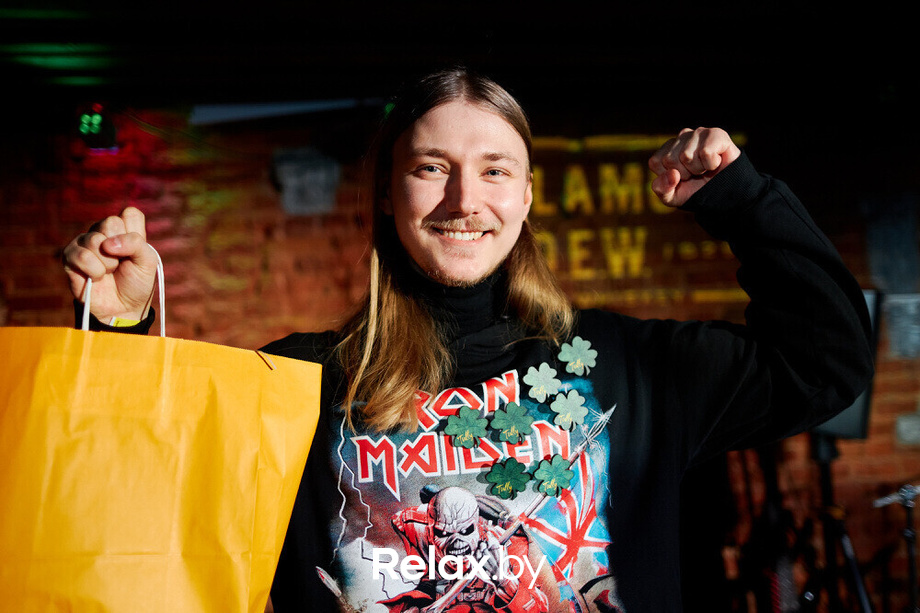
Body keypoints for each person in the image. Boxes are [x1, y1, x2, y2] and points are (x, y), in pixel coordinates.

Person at [62, 68, 874, 612]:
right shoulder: (302, 377)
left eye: (493, 169)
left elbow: (825, 361)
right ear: (388, 193)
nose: (463, 197)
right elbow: (139, 489)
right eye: (430, 167)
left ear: (525, 195)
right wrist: (121, 328)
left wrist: (743, 199)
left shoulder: (628, 366)